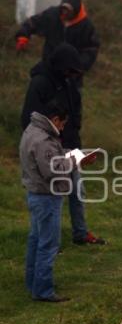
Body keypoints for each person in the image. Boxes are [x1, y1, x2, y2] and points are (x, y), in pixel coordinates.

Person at [21, 43, 106, 245]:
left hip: (68, 148)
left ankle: (80, 233)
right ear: (61, 66)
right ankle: (46, 240)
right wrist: (47, 145)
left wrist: (77, 149)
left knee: (77, 190)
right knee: (47, 196)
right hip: (46, 151)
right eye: (70, 70)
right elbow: (29, 119)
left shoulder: (69, 84)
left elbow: (74, 117)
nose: (73, 74)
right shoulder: (40, 83)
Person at [19, 100, 75, 302]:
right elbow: (52, 170)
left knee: (36, 240)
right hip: (47, 196)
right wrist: (75, 160)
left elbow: (49, 159)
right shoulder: (43, 139)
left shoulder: (32, 129)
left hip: (35, 194)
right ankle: (43, 290)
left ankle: (33, 283)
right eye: (62, 124)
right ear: (55, 119)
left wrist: (67, 155)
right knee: (48, 244)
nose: (62, 128)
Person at [16, 0, 100, 84]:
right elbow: (32, 23)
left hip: (72, 76)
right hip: (49, 68)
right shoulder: (52, 15)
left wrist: (80, 66)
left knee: (69, 97)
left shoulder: (86, 26)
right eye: (63, 9)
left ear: (76, 11)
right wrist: (23, 36)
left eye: (68, 10)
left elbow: (91, 49)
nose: (64, 12)